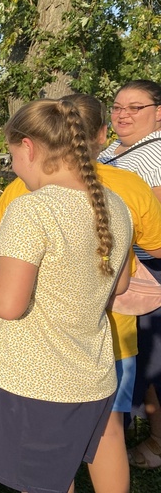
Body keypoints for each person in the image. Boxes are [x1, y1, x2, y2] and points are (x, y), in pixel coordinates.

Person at [0, 98, 133, 493]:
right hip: (89, 376)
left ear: (28, 147)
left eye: (12, 155)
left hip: (22, 378)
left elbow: (9, 304)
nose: (12, 166)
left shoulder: (31, 210)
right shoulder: (114, 206)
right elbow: (120, 285)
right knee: (54, 476)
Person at [0, 93, 161, 492]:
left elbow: (0, 263)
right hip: (107, 341)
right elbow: (141, 261)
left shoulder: (25, 197)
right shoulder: (123, 192)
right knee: (108, 433)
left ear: (29, 147)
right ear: (101, 134)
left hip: (38, 359)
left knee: (44, 459)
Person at [97, 79, 161, 469]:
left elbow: (155, 226)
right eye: (118, 107)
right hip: (119, 265)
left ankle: (155, 444)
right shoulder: (118, 149)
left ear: (158, 111)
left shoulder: (154, 154)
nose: (122, 114)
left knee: (152, 363)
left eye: (134, 108)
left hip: (144, 270)